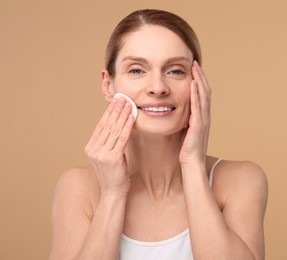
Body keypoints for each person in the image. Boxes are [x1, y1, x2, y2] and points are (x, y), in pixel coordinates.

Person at [49, 9, 268, 260]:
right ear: (108, 85)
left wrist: (193, 164)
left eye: (175, 71)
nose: (158, 88)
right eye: (136, 70)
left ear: (198, 82)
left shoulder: (241, 181)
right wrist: (112, 194)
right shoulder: (78, 188)